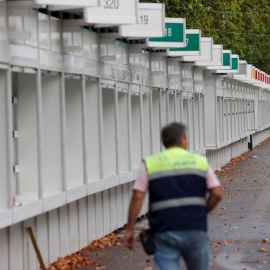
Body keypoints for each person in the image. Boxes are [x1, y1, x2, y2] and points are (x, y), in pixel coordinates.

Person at [124, 122, 222, 270]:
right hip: (194, 228)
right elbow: (217, 192)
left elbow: (138, 196)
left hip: (164, 229)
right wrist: (203, 211)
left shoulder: (151, 163)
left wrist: (130, 229)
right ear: (182, 140)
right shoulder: (199, 161)